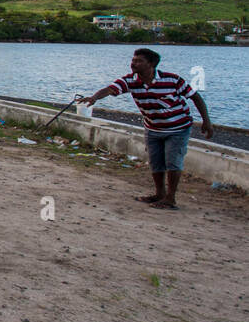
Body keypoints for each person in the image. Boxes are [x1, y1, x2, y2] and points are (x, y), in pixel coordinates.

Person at [78, 48, 213, 210]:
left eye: (139, 61)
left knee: (173, 162)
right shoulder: (130, 81)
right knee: (156, 162)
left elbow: (195, 97)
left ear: (152, 64)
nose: (133, 63)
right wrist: (94, 98)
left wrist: (206, 120)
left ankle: (171, 198)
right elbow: (110, 89)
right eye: (133, 60)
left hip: (178, 127)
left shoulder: (172, 80)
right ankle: (159, 193)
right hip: (153, 127)